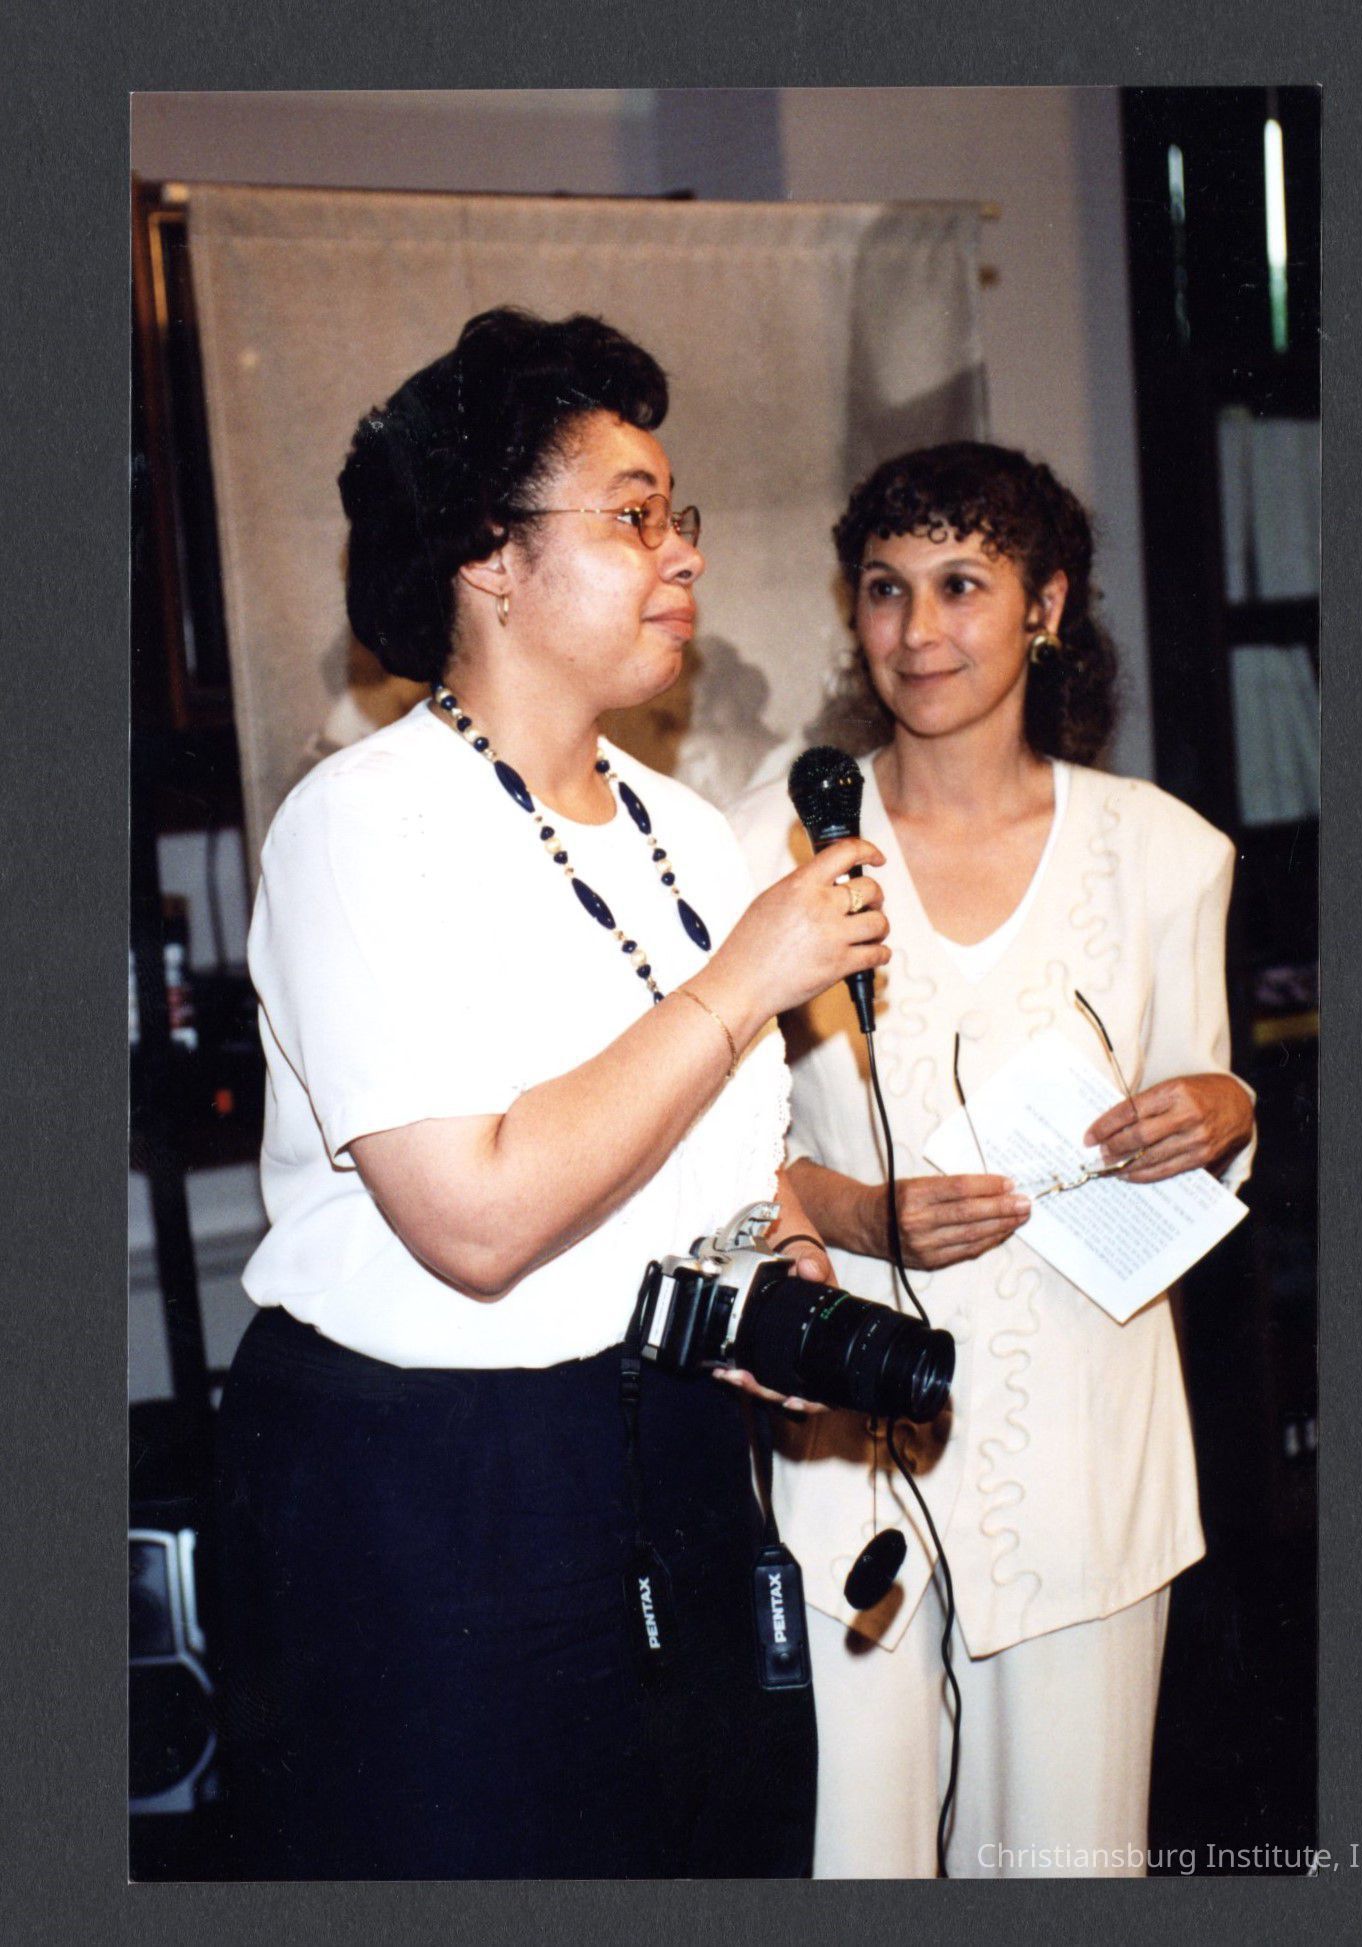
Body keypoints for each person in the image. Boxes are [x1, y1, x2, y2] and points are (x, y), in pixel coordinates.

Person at [209, 307, 891, 1879]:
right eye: (632, 515)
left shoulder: (686, 832)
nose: (684, 551)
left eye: (679, 515)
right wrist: (744, 980)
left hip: (668, 1448)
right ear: (488, 556)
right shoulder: (364, 823)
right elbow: (478, 1221)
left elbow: (723, 1172)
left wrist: (778, 1269)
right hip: (435, 1493)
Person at [731, 441, 1256, 1879]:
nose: (917, 630)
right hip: (848, 1455)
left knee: (1069, 1863)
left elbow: (1206, 1100)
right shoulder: (764, 850)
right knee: (858, 1856)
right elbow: (721, 1159)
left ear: (1048, 606)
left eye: (961, 584)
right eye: (884, 587)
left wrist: (1221, 1109)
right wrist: (863, 1214)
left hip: (1088, 1449)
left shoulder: (1166, 854)